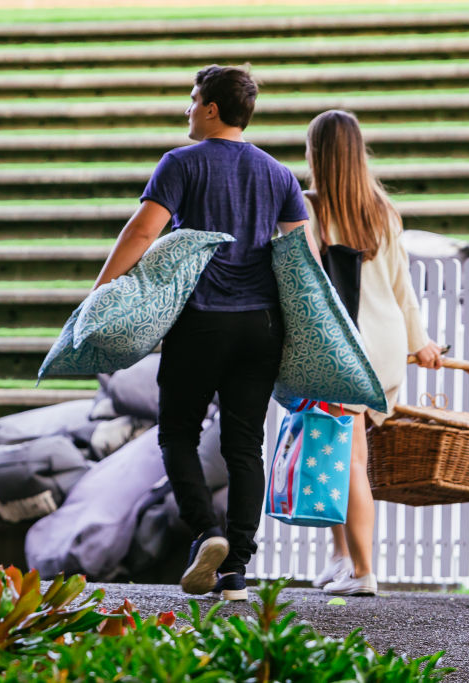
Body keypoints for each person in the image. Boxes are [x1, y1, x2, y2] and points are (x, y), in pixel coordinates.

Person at [91, 65, 320, 601]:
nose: (188, 110)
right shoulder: (278, 174)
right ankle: (237, 567)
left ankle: (205, 532)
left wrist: (103, 289)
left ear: (212, 108)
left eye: (193, 101)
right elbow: (301, 256)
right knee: (245, 447)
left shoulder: (181, 163)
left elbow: (143, 229)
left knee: (176, 433)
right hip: (261, 325)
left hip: (200, 320)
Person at [304, 110, 444, 596]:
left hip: (343, 348)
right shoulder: (383, 210)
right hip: (383, 346)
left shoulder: (312, 209)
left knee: (346, 459)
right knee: (339, 448)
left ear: (317, 153)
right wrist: (420, 343)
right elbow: (403, 290)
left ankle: (364, 571)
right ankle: (341, 558)